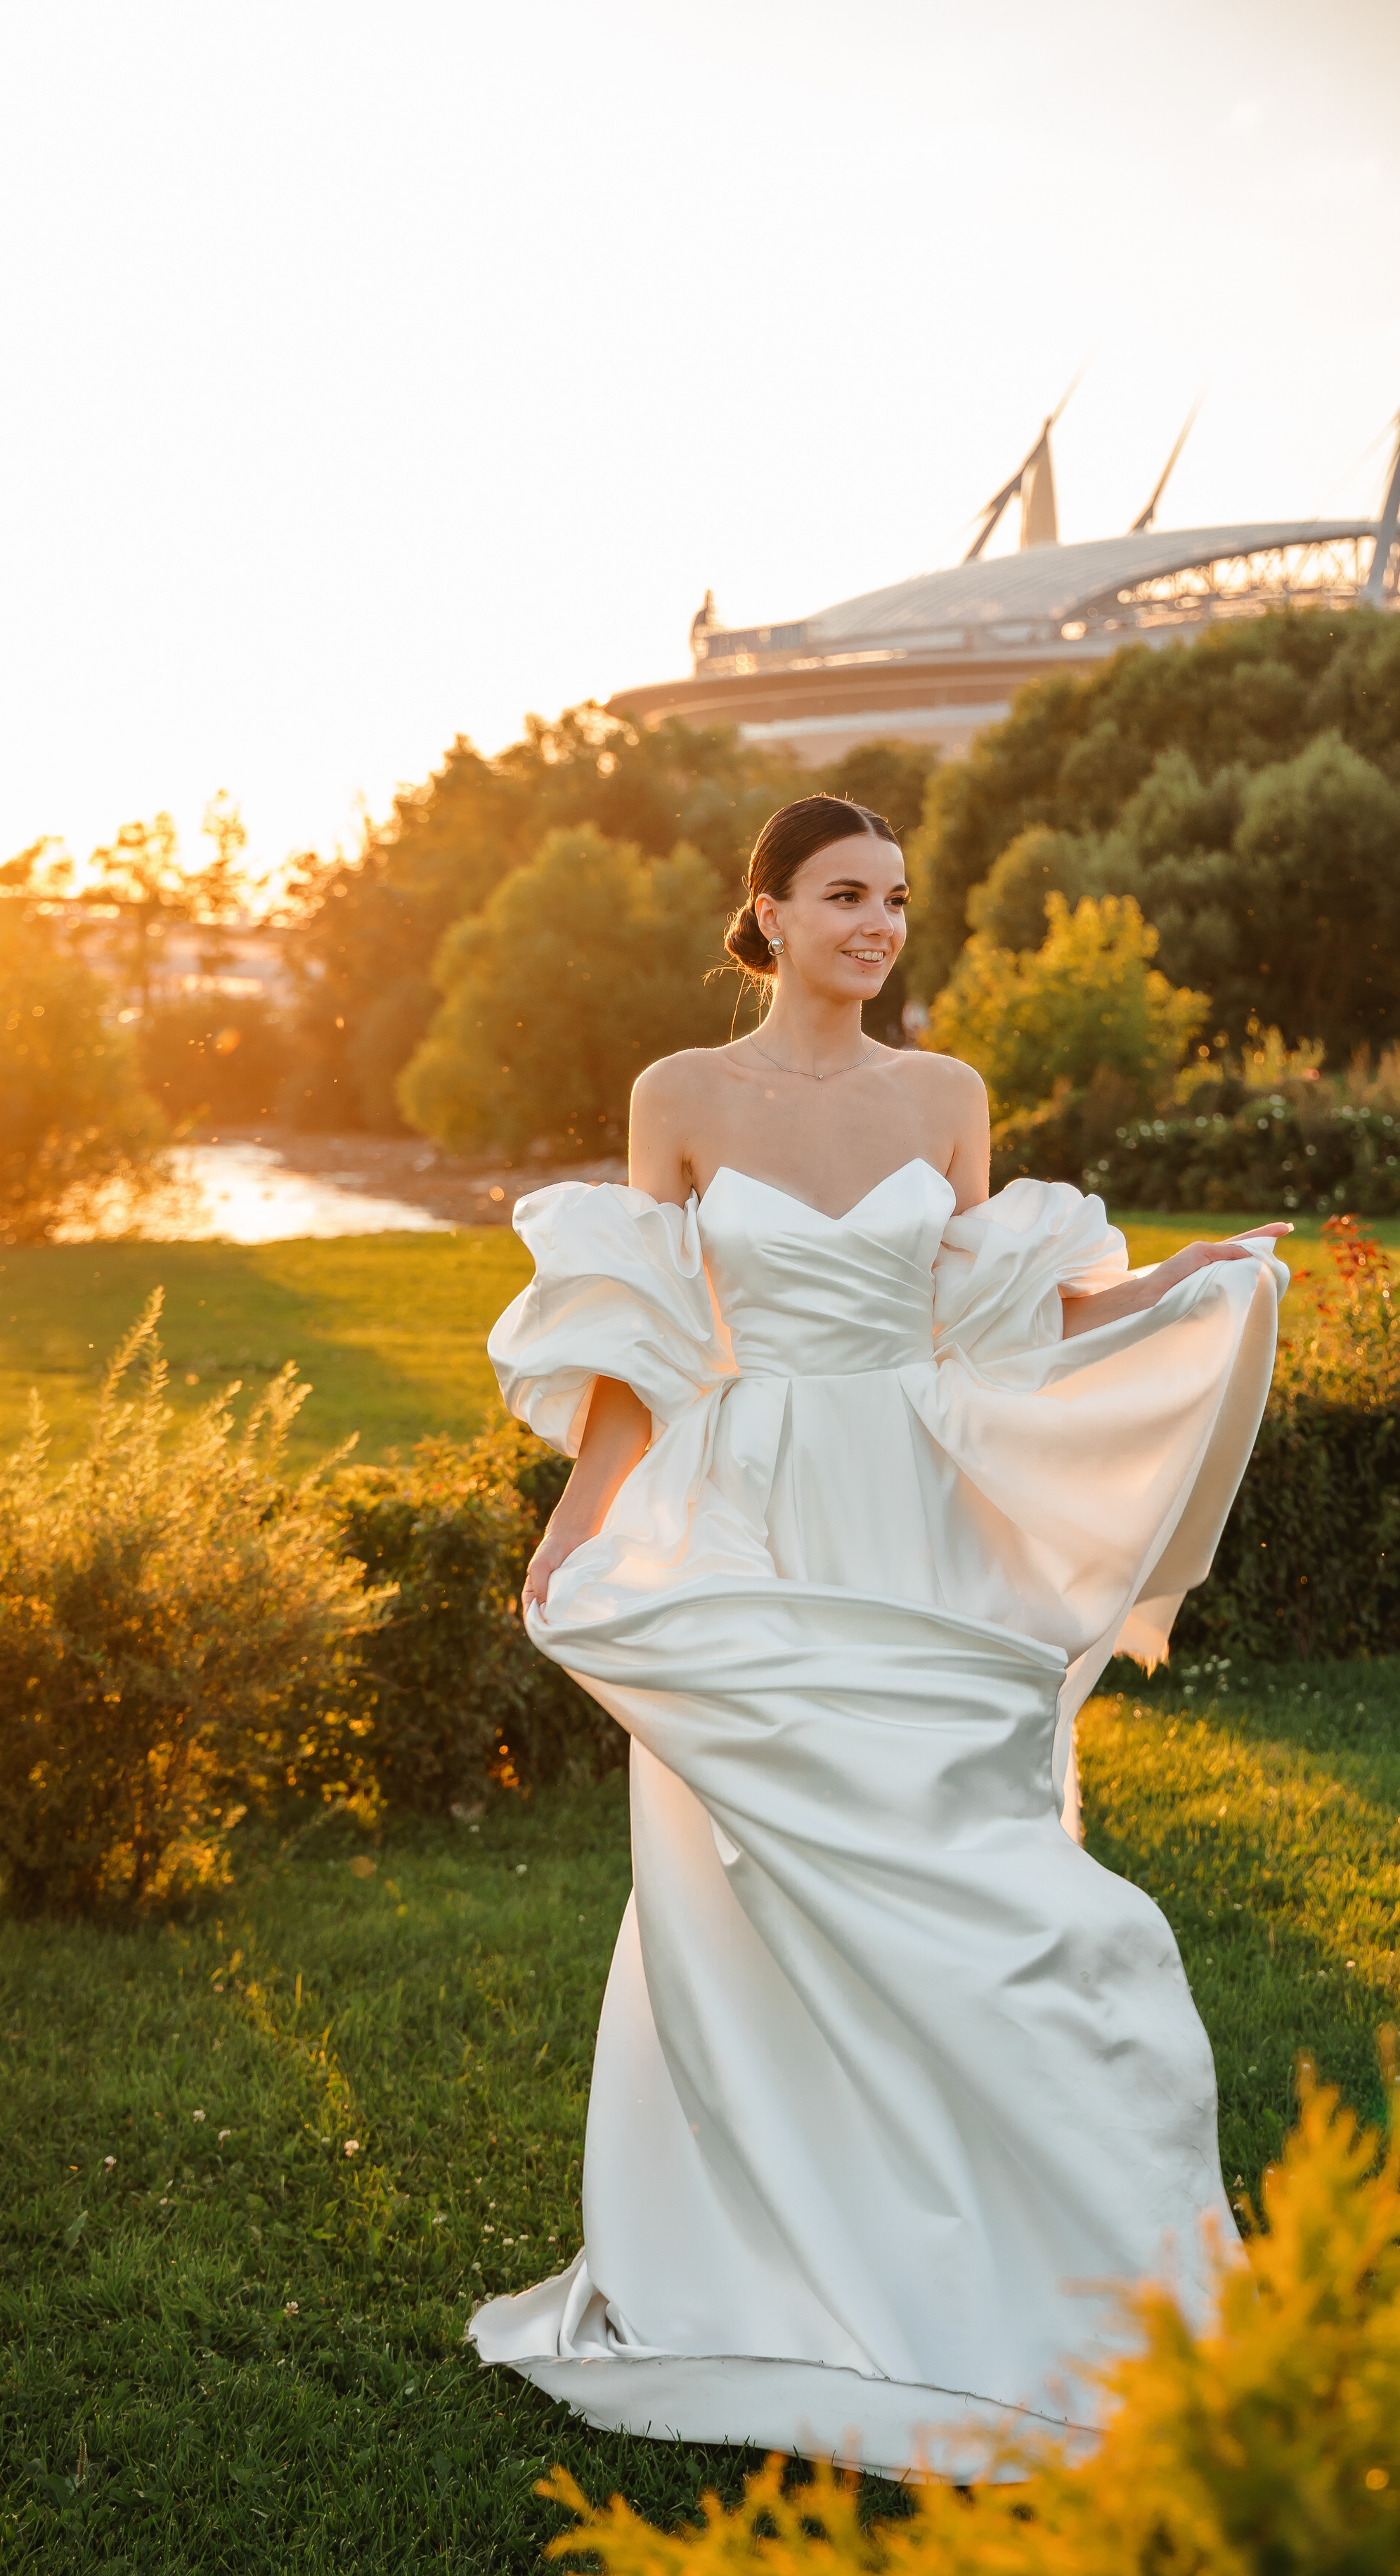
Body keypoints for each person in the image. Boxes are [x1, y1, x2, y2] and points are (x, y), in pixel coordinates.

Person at [471, 793, 1288, 2481]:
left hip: (908, 1507)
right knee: (760, 1870)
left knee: (965, 1856)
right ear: (763, 913)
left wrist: (1180, 1281)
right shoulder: (679, 1098)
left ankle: (1021, 2240)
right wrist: (574, 1524)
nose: (876, 926)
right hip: (755, 1493)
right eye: (843, 897)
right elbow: (640, 1345)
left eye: (896, 902)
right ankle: (765, 2251)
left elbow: (1006, 1312)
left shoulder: (943, 1097)